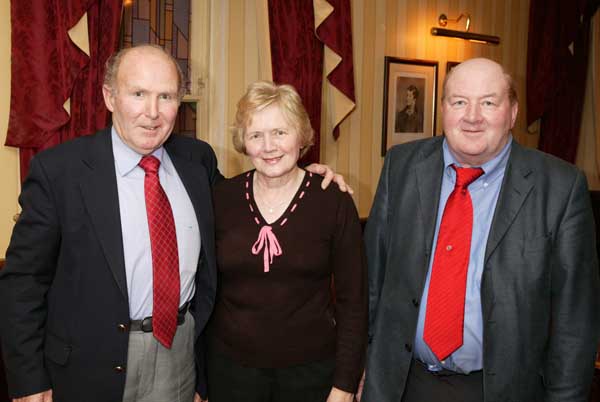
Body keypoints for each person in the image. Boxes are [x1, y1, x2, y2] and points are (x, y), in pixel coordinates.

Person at [0, 45, 348, 402]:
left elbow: (251, 203)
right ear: (109, 97)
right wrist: (29, 380)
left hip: (178, 356)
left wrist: (306, 179)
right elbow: (23, 282)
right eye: (138, 94)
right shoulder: (59, 171)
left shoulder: (197, 162)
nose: (152, 113)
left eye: (165, 96)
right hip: (87, 365)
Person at [362, 57, 600, 402]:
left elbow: (574, 323)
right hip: (400, 384)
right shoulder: (400, 166)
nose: (472, 116)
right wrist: (361, 367)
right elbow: (371, 282)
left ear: (513, 112)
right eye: (459, 102)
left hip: (501, 390)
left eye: (488, 102)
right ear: (443, 108)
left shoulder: (561, 188)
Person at [207, 81, 367, 402]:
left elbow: (355, 301)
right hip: (230, 375)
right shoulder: (221, 198)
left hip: (313, 376)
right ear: (244, 142)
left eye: (280, 132)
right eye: (256, 135)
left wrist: (345, 385)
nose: (269, 146)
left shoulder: (332, 200)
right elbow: (204, 288)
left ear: (301, 135)